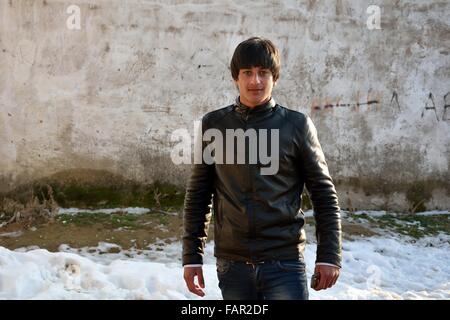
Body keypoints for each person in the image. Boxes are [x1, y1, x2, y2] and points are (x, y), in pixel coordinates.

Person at [182, 37, 342, 300]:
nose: (255, 81)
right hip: (232, 265)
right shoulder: (215, 125)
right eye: (247, 73)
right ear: (236, 77)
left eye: (263, 73)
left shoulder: (297, 125)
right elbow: (199, 195)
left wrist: (329, 256)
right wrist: (191, 257)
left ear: (274, 78)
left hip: (284, 263)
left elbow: (324, 195)